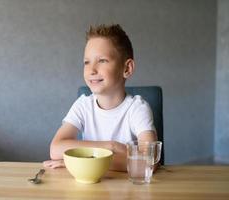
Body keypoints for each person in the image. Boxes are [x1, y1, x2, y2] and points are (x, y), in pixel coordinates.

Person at [43, 24, 157, 172]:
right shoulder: (83, 105)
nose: (91, 70)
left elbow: (149, 162)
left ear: (127, 68)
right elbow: (56, 149)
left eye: (102, 60)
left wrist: (84, 161)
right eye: (86, 62)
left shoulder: (137, 108)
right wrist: (112, 146)